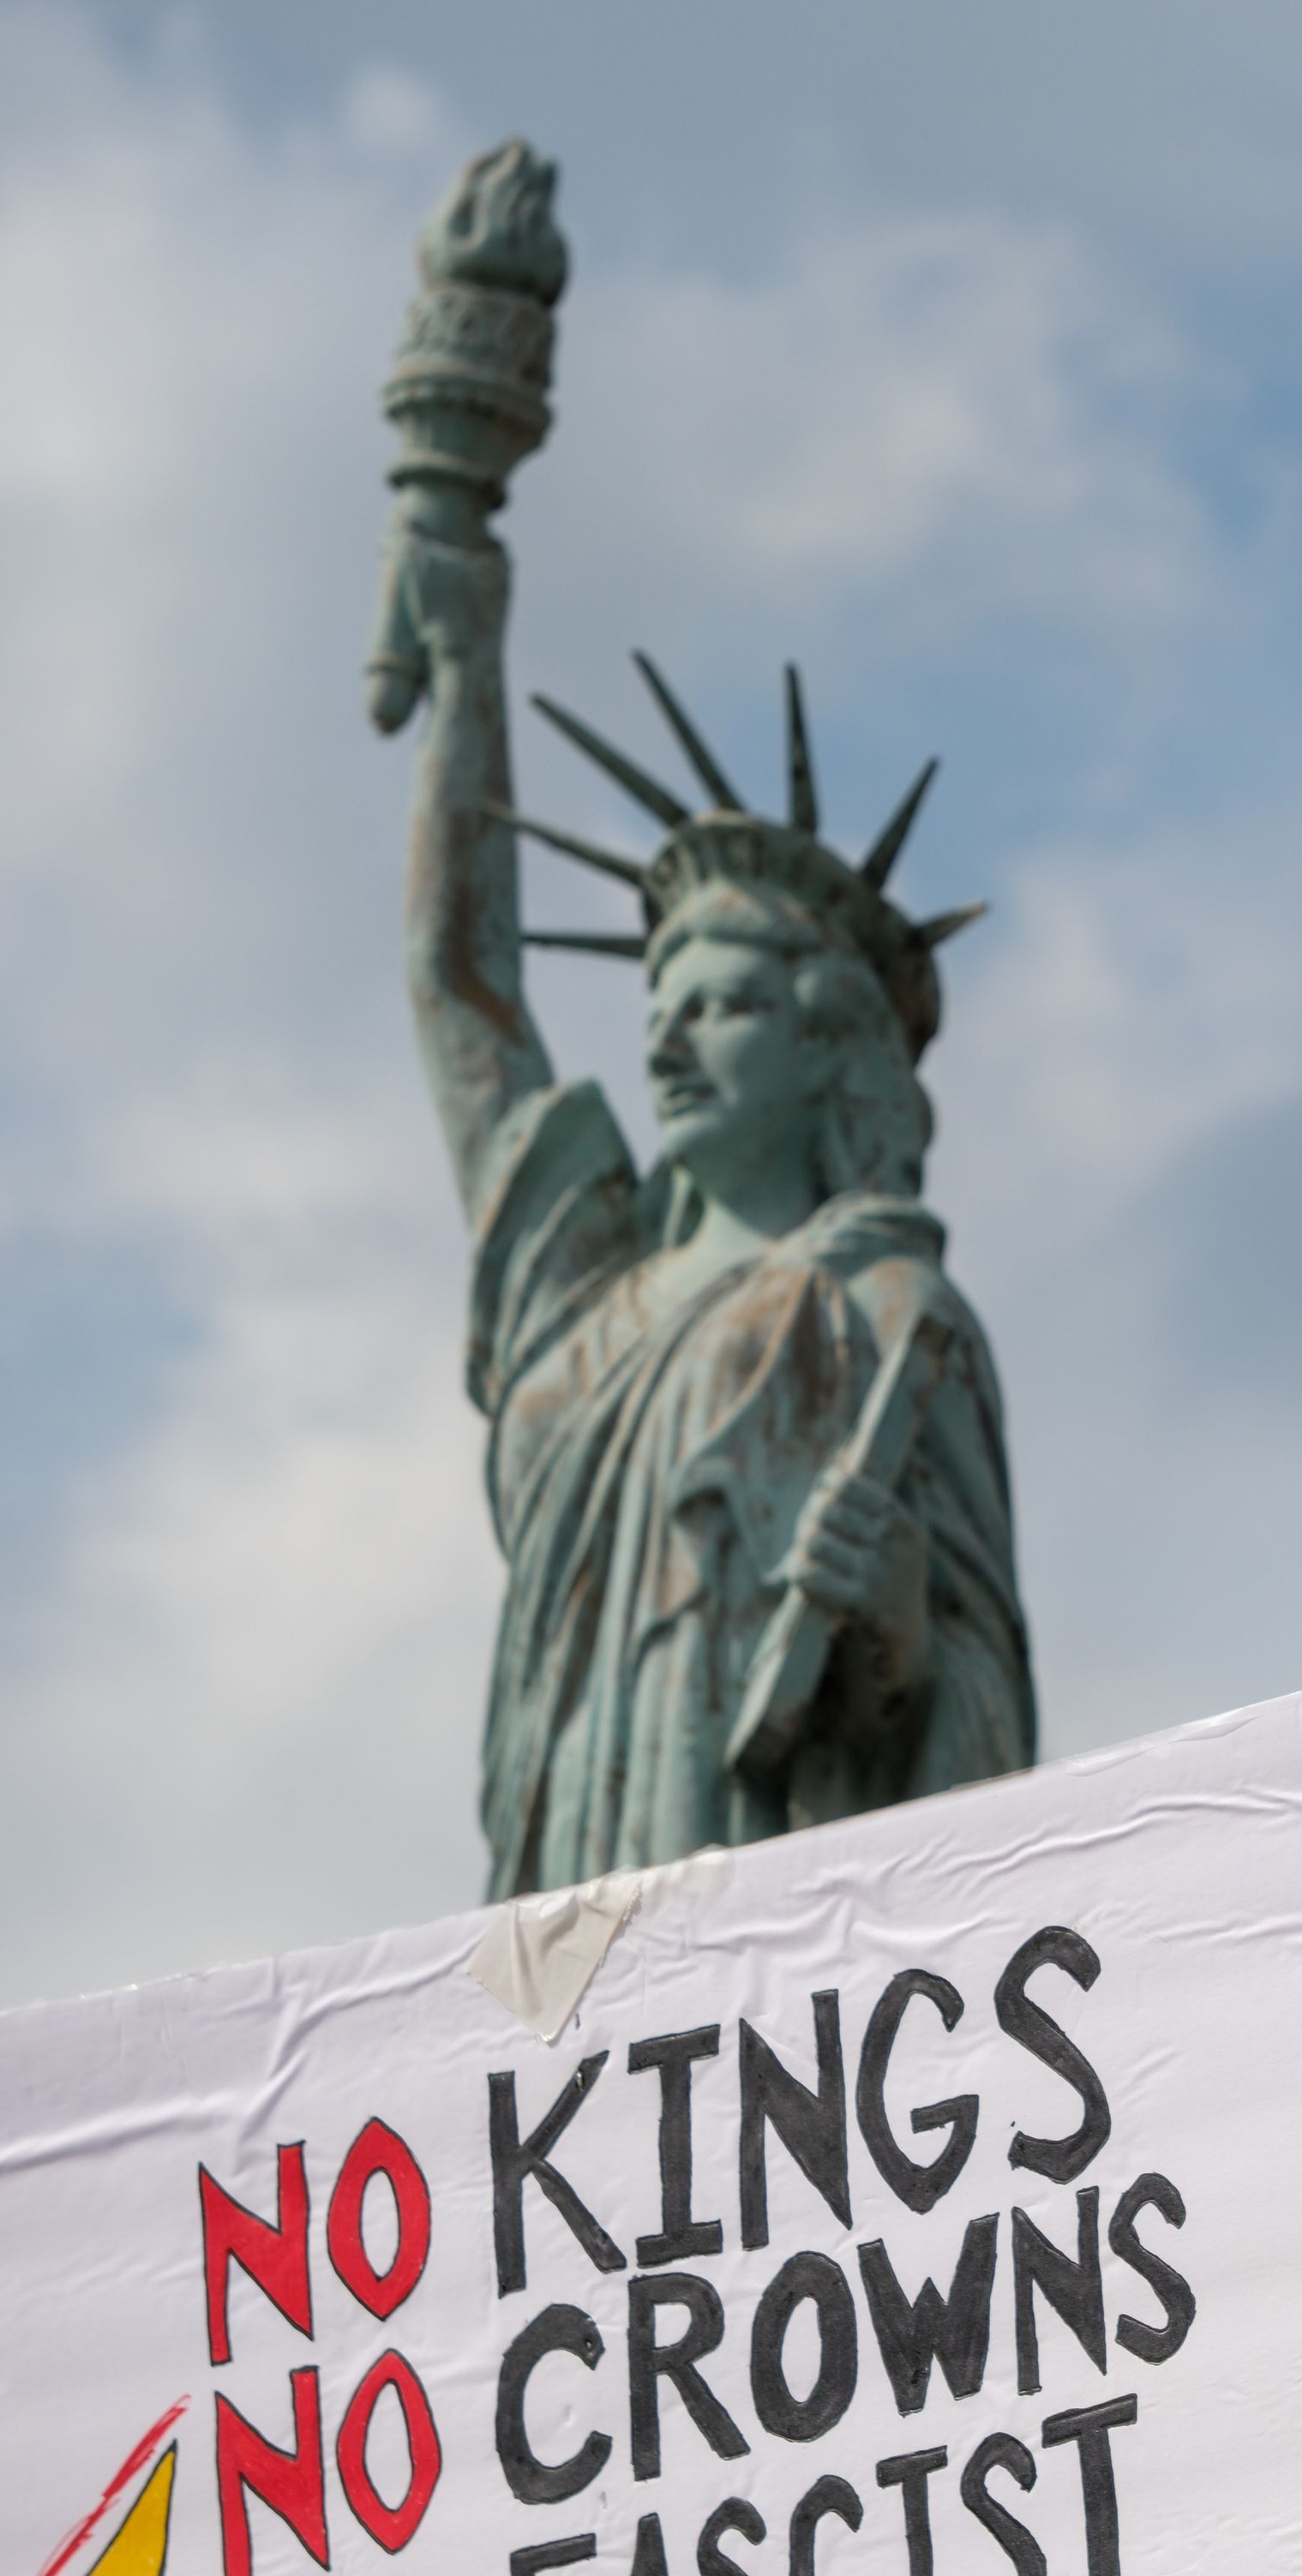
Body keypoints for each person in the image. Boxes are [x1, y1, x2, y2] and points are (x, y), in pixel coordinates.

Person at [376, 522, 1031, 1897]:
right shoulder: (582, 1297)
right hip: (558, 1873)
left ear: (829, 1047)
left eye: (722, 1006)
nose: (668, 1043)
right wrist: (467, 659)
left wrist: (902, 1624)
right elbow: (462, 998)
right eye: (658, 1008)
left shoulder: (893, 1315)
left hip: (770, 1905)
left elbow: (990, 1722)